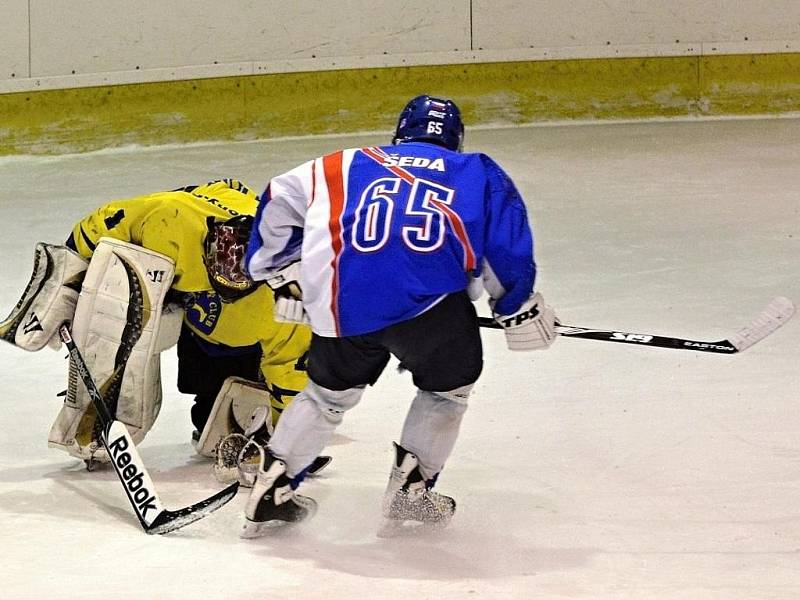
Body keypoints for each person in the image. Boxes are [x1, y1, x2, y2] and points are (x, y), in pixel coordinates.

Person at [239, 95, 557, 538]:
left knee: (325, 396)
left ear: (399, 133)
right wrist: (515, 307)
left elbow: (278, 198)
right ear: (456, 140)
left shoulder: (340, 164)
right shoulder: (476, 171)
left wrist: (279, 272)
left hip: (344, 305)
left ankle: (271, 489)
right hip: (431, 312)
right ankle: (411, 491)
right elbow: (504, 246)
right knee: (447, 391)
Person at [0, 179, 314, 470]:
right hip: (177, 274)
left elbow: (290, 374)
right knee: (117, 306)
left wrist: (288, 449)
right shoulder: (172, 220)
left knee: (213, 427)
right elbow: (100, 225)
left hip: (229, 336)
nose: (225, 288)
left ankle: (246, 385)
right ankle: (96, 415)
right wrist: (68, 286)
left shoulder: (287, 301)